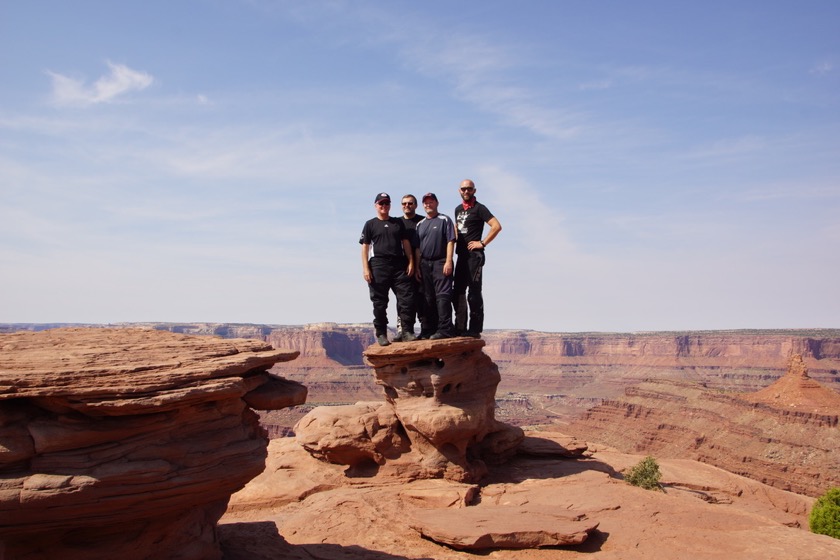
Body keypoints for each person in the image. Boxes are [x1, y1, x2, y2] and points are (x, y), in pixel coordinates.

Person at [359, 192, 417, 346]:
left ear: (390, 205)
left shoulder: (398, 223)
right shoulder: (370, 224)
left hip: (399, 265)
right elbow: (364, 248)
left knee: (406, 299)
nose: (384, 206)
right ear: (376, 205)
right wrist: (366, 268)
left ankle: (407, 331)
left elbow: (406, 244)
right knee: (379, 302)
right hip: (378, 265)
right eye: (381, 203)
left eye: (386, 203)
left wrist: (411, 262)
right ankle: (381, 334)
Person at [453, 179, 502, 338]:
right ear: (459, 191)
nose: (466, 191)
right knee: (458, 291)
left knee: (474, 291)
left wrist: (482, 243)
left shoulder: (480, 208)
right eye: (463, 189)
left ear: (474, 191)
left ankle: (474, 329)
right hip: (461, 255)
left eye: (469, 189)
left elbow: (496, 226)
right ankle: (460, 327)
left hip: (474, 256)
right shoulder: (458, 209)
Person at [415, 193, 456, 339]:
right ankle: (429, 329)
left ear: (436, 203)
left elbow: (451, 240)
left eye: (430, 202)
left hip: (441, 261)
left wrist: (449, 261)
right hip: (425, 264)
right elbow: (417, 248)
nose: (428, 204)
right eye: (425, 202)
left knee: (443, 296)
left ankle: (445, 329)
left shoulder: (444, 220)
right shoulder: (420, 224)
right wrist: (418, 266)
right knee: (427, 297)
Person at [397, 194, 426, 338]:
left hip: (422, 266)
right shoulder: (397, 223)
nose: (407, 206)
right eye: (404, 204)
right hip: (401, 267)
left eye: (410, 203)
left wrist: (417, 266)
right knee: (402, 299)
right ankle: (402, 330)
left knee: (422, 297)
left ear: (415, 205)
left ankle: (425, 329)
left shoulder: (422, 221)